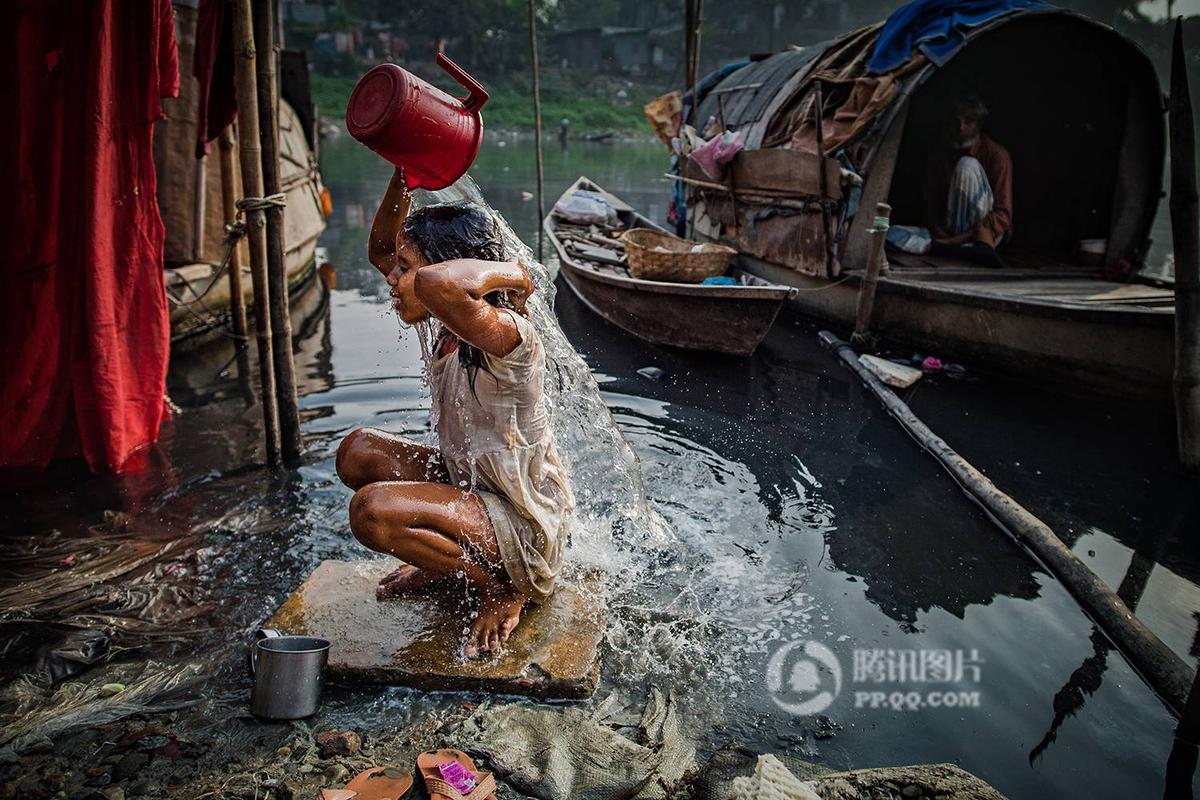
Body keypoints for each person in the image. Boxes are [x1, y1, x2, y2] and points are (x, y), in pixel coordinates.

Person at [336, 167, 575, 659]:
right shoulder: (444, 320)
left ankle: (500, 587)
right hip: (474, 491)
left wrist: (518, 274)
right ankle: (446, 562)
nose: (394, 279)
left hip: (522, 522)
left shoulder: (506, 331)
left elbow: (441, 281)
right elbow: (382, 249)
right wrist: (404, 174)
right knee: (356, 452)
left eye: (407, 270)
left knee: (373, 511)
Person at [921, 92, 1012, 257]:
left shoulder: (996, 155)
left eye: (968, 121)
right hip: (949, 232)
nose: (961, 127)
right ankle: (955, 248)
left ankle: (968, 247)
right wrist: (939, 231)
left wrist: (958, 240)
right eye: (956, 121)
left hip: (984, 235)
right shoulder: (941, 153)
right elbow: (930, 199)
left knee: (966, 165)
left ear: (978, 124)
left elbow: (1003, 214)